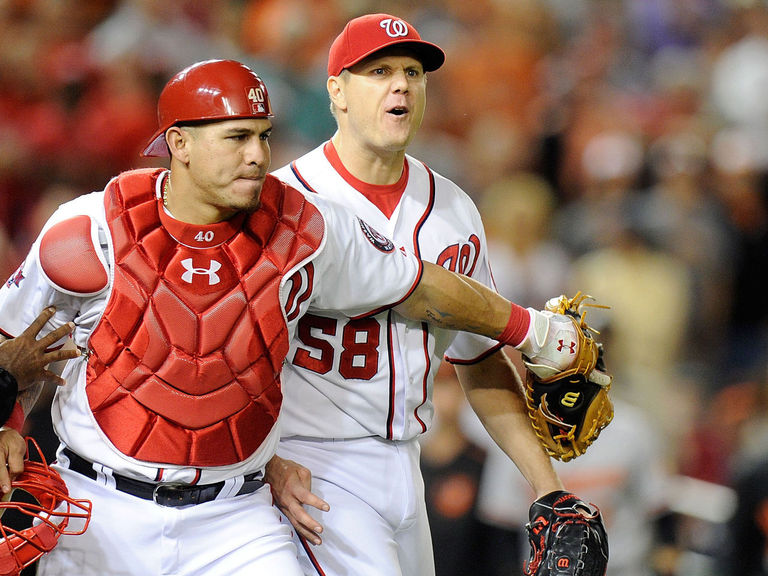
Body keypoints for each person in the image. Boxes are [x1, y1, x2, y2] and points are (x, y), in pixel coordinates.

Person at [0, 58, 584, 576]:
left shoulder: (304, 231)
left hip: (233, 520)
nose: (257, 156)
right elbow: (9, 339)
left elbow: (423, 287)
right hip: (98, 509)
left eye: (262, 136)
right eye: (236, 138)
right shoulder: (92, 228)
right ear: (178, 143)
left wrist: (531, 330)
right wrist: (6, 421)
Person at [266, 14, 576, 576]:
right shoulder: (285, 204)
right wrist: (266, 463)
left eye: (414, 72)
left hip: (408, 465)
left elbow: (477, 361)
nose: (402, 84)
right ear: (336, 90)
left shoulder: (455, 210)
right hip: (312, 462)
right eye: (379, 70)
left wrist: (549, 488)